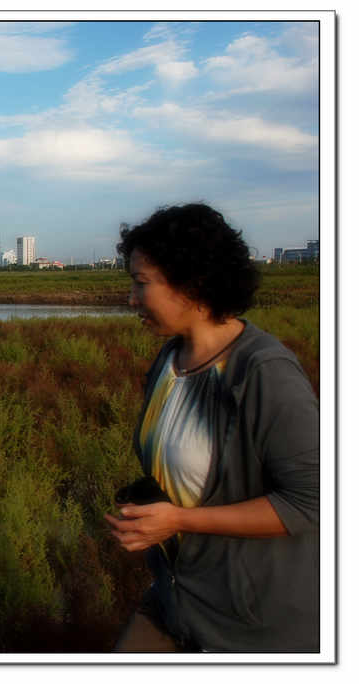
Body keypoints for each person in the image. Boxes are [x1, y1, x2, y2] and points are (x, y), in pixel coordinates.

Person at [106, 203, 319, 653]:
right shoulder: (169, 360)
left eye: (141, 284)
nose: (130, 298)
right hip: (175, 599)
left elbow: (316, 500)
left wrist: (180, 520)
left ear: (191, 284)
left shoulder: (263, 372)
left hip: (251, 626)